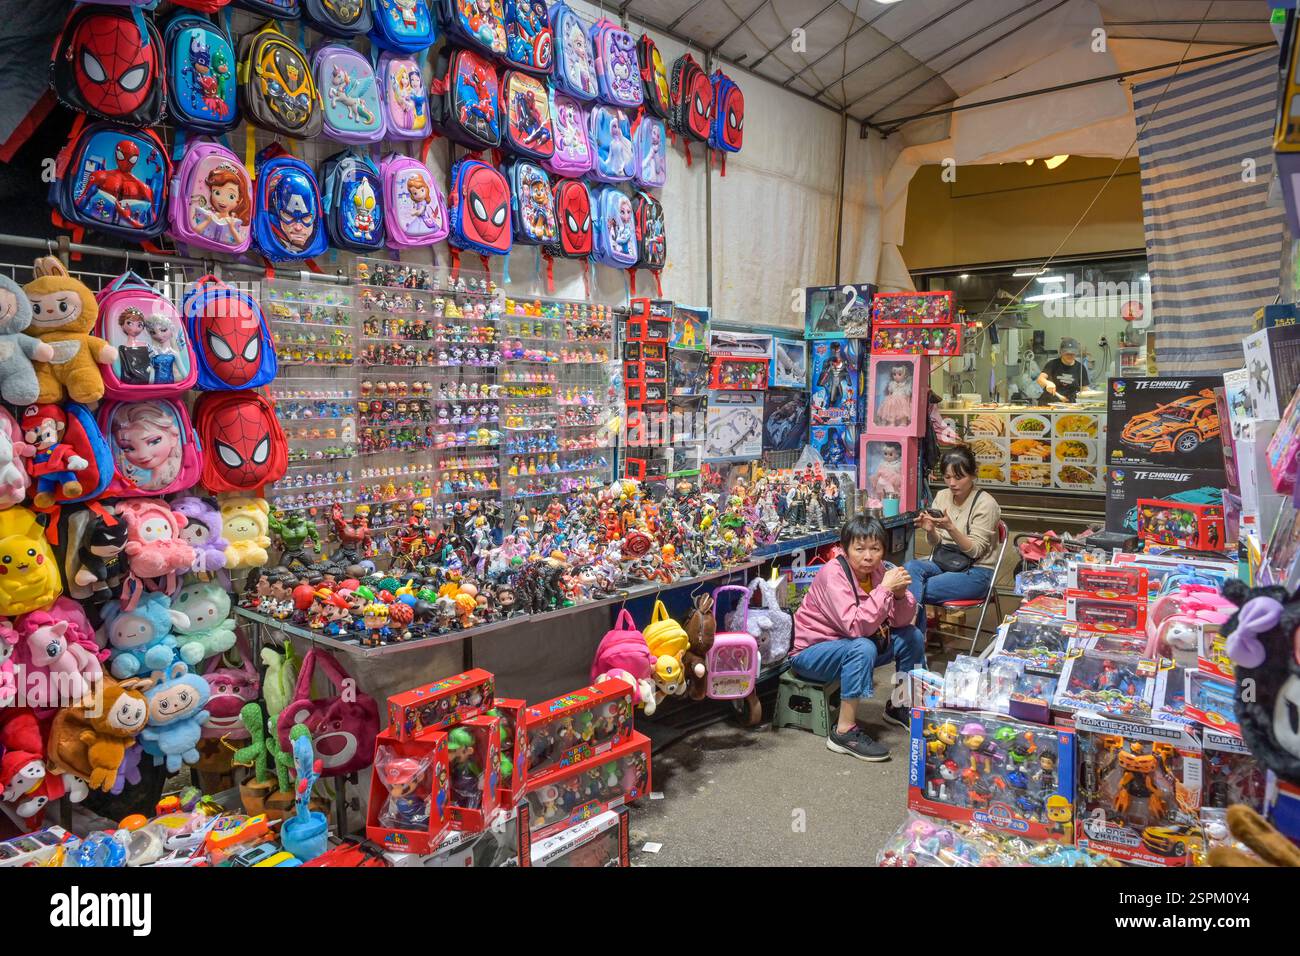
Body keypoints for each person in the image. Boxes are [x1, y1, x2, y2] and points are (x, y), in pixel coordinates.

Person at [790, 515, 922, 762]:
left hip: (853, 645)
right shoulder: (833, 574)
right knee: (862, 646)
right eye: (859, 549)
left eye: (875, 549)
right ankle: (843, 732)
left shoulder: (879, 570)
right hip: (813, 653)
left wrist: (902, 595)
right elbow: (855, 626)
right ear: (845, 548)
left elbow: (901, 622)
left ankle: (900, 705)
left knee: (911, 635)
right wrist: (884, 590)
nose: (868, 556)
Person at [906, 447, 1002, 643]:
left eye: (959, 477)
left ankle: (912, 639)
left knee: (915, 589)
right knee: (908, 570)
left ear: (973, 474)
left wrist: (951, 527)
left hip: (977, 571)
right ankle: (914, 636)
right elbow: (936, 542)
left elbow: (975, 550)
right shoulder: (942, 496)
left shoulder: (986, 504)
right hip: (945, 560)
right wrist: (931, 530)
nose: (952, 483)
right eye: (947, 477)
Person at [1036, 336, 1090, 403]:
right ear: (1061, 353)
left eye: (1072, 354)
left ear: (1076, 353)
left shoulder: (1080, 368)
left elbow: (1084, 389)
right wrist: (1048, 383)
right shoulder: (1052, 364)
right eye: (1067, 353)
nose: (1069, 356)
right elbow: (1040, 379)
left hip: (1069, 405)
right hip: (1049, 404)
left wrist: (1089, 393)